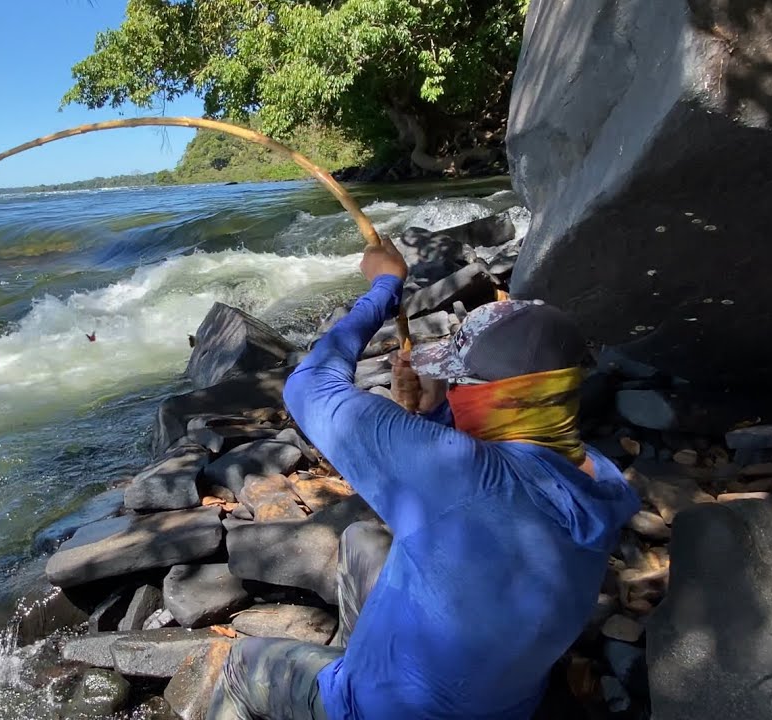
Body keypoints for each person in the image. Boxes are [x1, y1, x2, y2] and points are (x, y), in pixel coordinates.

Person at [206, 238, 640, 720]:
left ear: (493, 397)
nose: (451, 391)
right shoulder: (602, 479)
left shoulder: (460, 473)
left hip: (388, 710)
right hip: (503, 703)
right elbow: (501, 477)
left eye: (458, 383)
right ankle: (358, 658)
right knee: (360, 541)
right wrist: (434, 411)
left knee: (240, 666)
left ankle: (345, 691)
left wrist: (383, 286)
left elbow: (308, 385)